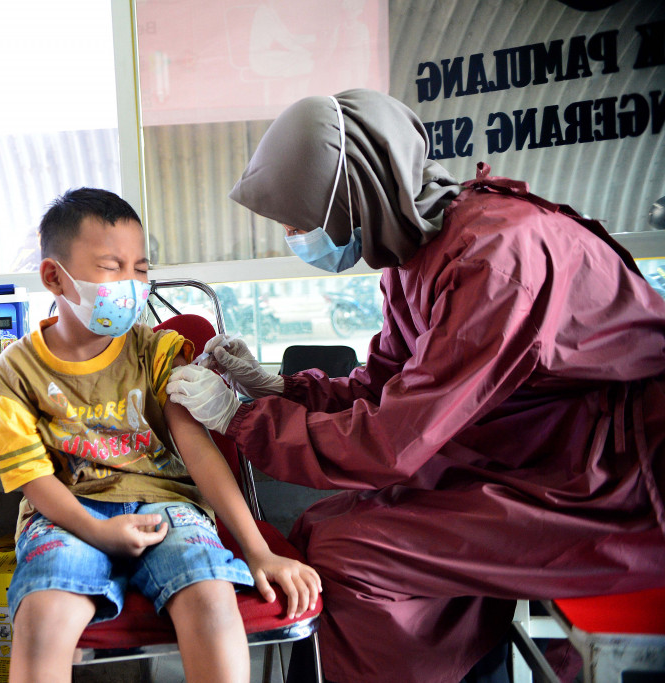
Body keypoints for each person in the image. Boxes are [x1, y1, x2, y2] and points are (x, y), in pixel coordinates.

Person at [166, 89, 665, 683]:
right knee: (320, 526)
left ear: (360, 195)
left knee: (351, 556)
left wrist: (240, 418)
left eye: (303, 221)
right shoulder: (417, 250)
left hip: (612, 482)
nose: (296, 238)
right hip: (529, 454)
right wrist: (274, 387)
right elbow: (388, 385)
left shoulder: (494, 256)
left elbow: (393, 441)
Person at [0, 187, 320, 683]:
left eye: (140, 268)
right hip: (67, 514)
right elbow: (32, 477)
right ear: (55, 277)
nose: (130, 283)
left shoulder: (159, 351)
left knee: (209, 596)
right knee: (43, 612)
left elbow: (200, 454)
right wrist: (96, 529)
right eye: (110, 266)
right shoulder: (17, 368)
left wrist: (258, 550)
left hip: (167, 507)